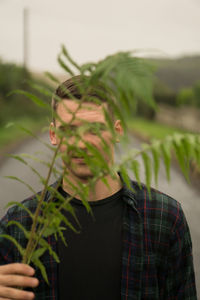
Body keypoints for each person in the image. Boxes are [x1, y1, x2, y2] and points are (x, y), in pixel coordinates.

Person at [0, 76, 197, 300]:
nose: (82, 144)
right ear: (53, 135)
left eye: (94, 129)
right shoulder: (19, 224)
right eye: (69, 130)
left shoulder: (164, 219)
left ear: (117, 131)